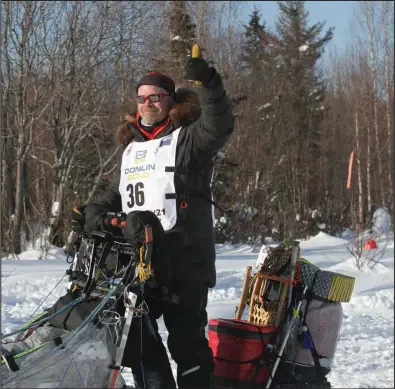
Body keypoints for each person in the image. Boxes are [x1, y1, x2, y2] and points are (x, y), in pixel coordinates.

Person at [72, 53, 234, 388]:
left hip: (186, 261)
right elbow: (121, 192)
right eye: (141, 98)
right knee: (136, 340)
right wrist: (91, 212)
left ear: (170, 101)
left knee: (187, 346)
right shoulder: (131, 148)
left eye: (155, 97)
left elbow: (220, 125)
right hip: (144, 262)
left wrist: (209, 82)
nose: (147, 103)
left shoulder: (188, 139)